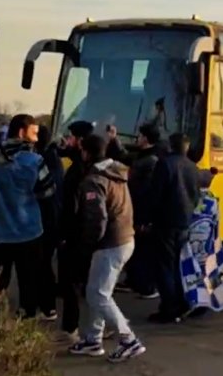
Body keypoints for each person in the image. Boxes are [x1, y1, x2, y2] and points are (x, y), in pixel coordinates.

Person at [0, 114, 56, 318]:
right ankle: (27, 319)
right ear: (22, 132)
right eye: (34, 132)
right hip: (28, 232)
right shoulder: (35, 160)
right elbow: (47, 192)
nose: (37, 138)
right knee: (28, 282)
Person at [68, 135, 146, 362]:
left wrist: (86, 245)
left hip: (109, 243)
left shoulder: (93, 180)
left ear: (85, 152)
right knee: (100, 291)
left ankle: (129, 340)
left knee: (98, 294)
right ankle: (93, 340)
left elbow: (96, 218)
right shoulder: (116, 171)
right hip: (124, 238)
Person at [148, 132, 201, 323]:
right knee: (179, 264)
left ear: (170, 146)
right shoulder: (193, 167)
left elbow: (155, 195)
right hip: (184, 221)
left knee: (164, 266)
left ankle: (169, 308)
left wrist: (148, 218)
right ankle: (182, 301)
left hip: (165, 222)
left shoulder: (164, 164)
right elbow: (196, 196)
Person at [58, 120, 98, 340]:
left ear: (81, 141)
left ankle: (71, 329)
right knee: (91, 285)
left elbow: (73, 207)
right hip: (90, 235)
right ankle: (96, 328)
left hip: (76, 234)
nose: (68, 140)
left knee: (73, 284)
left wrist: (65, 235)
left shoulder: (77, 172)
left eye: (71, 137)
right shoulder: (98, 166)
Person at [123, 123, 162, 299]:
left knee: (143, 248)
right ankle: (134, 280)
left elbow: (145, 189)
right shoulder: (145, 156)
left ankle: (147, 285)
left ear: (146, 138)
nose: (136, 139)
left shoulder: (151, 160)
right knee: (136, 247)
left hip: (142, 211)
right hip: (136, 208)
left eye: (139, 136)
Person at [35, 125, 65, 322]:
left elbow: (46, 192)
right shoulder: (55, 157)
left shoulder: (44, 160)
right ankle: (47, 303)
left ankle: (47, 306)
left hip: (47, 218)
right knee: (44, 263)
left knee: (42, 263)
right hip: (54, 217)